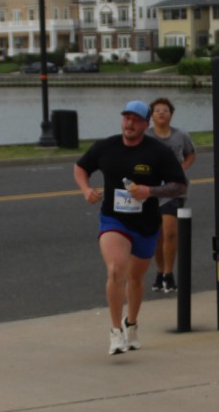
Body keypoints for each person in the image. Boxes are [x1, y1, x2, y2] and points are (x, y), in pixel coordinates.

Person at [74, 100, 188, 356]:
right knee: (116, 270)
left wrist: (150, 191)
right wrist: (86, 189)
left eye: (136, 120)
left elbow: (179, 186)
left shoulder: (158, 152)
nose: (130, 123)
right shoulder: (106, 146)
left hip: (145, 225)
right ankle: (115, 331)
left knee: (135, 278)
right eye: (126, 118)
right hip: (113, 220)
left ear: (146, 124)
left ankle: (131, 324)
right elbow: (80, 167)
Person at [147, 96, 196, 294]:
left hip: (174, 190)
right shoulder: (146, 136)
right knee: (156, 234)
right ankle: (160, 272)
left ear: (171, 114)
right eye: (157, 110)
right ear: (151, 115)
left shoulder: (180, 135)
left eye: (165, 110)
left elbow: (190, 154)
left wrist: (181, 169)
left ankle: (169, 273)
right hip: (151, 190)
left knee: (169, 232)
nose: (161, 113)